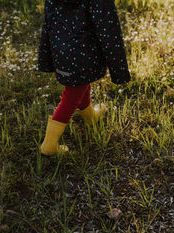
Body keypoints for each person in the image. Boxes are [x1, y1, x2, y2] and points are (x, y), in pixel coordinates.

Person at [38, 0, 130, 156]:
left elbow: (48, 21)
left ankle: (90, 116)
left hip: (61, 50)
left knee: (81, 84)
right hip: (85, 53)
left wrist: (48, 54)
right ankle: (49, 145)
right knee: (71, 97)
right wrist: (118, 68)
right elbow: (108, 29)